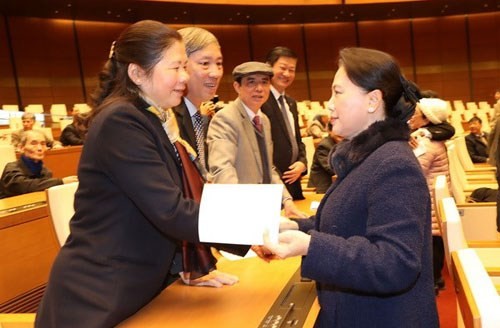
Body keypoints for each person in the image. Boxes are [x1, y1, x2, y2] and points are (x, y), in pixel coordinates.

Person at [35, 20, 238, 328]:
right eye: (176, 68)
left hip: (134, 291)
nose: (184, 78)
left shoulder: (150, 117)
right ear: (137, 73)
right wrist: (257, 224)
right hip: (95, 300)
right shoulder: (121, 121)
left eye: (186, 67)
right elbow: (169, 209)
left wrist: (186, 268)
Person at [260, 47, 438, 327]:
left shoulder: (394, 164)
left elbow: (395, 262)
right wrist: (296, 227)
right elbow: (347, 223)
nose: (329, 104)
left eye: (337, 93)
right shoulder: (369, 156)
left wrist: (310, 245)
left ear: (372, 101)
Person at [207, 61, 306, 218]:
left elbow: (268, 167)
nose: (259, 88)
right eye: (251, 82)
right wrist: (245, 210)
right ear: (237, 87)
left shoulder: (264, 120)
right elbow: (222, 169)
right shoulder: (225, 118)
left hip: (265, 210)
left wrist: (287, 200)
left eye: (264, 82)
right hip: (241, 213)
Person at [408, 97, 450, 295]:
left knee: (431, 241)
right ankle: (437, 278)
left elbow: (415, 171)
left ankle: (432, 280)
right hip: (434, 196)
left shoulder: (426, 142)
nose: (411, 117)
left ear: (426, 119)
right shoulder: (431, 137)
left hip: (429, 199)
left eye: (415, 113)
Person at [173, 27, 223, 176]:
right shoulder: (168, 119)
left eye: (219, 64)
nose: (215, 73)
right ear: (181, 65)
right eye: (205, 63)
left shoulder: (204, 118)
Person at [262, 47, 307, 200]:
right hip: (272, 185)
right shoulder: (260, 101)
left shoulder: (291, 103)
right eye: (282, 68)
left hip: (294, 183)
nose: (287, 74)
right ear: (268, 66)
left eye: (291, 70)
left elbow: (298, 141)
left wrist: (302, 163)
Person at [0, 130, 77, 199]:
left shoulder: (45, 171)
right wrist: (61, 182)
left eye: (43, 144)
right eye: (34, 143)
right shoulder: (11, 168)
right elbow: (24, 186)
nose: (40, 148)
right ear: (21, 148)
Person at [307, 123, 342, 193]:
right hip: (321, 188)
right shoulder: (324, 146)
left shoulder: (344, 142)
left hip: (336, 184)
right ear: (329, 131)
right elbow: (331, 169)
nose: (340, 133)